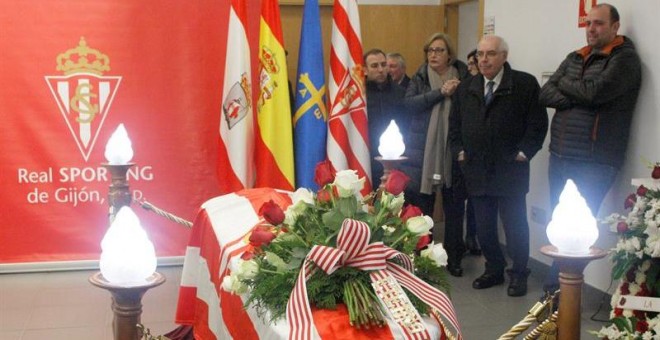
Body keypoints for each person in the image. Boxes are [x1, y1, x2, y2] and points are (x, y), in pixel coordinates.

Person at [539, 3, 642, 293]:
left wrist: (570, 86)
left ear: (615, 27)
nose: (592, 29)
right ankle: (555, 295)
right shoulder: (576, 56)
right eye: (588, 23)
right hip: (560, 155)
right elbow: (545, 92)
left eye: (598, 23)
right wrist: (580, 92)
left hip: (595, 161)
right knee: (557, 226)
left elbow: (595, 92)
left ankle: (556, 297)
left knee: (576, 234)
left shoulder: (625, 60)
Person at [448, 35, 548, 296]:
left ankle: (518, 274)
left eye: (490, 54)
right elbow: (454, 126)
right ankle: (493, 269)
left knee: (515, 226)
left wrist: (525, 152)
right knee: (483, 226)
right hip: (477, 169)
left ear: (504, 55)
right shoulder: (466, 87)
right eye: (480, 54)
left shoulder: (524, 85)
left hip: (510, 170)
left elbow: (537, 124)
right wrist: (459, 151)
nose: (484, 60)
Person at [401, 33, 469, 277]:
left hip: (452, 152)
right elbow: (409, 105)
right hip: (422, 153)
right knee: (422, 209)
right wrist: (440, 92)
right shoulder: (420, 76)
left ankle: (454, 257)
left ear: (449, 54)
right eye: (430, 50)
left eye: (439, 50)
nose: (433, 55)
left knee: (454, 209)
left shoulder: (464, 76)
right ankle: (424, 256)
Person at [364, 48, 406, 188]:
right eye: (375, 66)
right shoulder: (359, 96)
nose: (381, 69)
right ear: (364, 70)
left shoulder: (400, 92)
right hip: (365, 158)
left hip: (395, 162)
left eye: (383, 64)